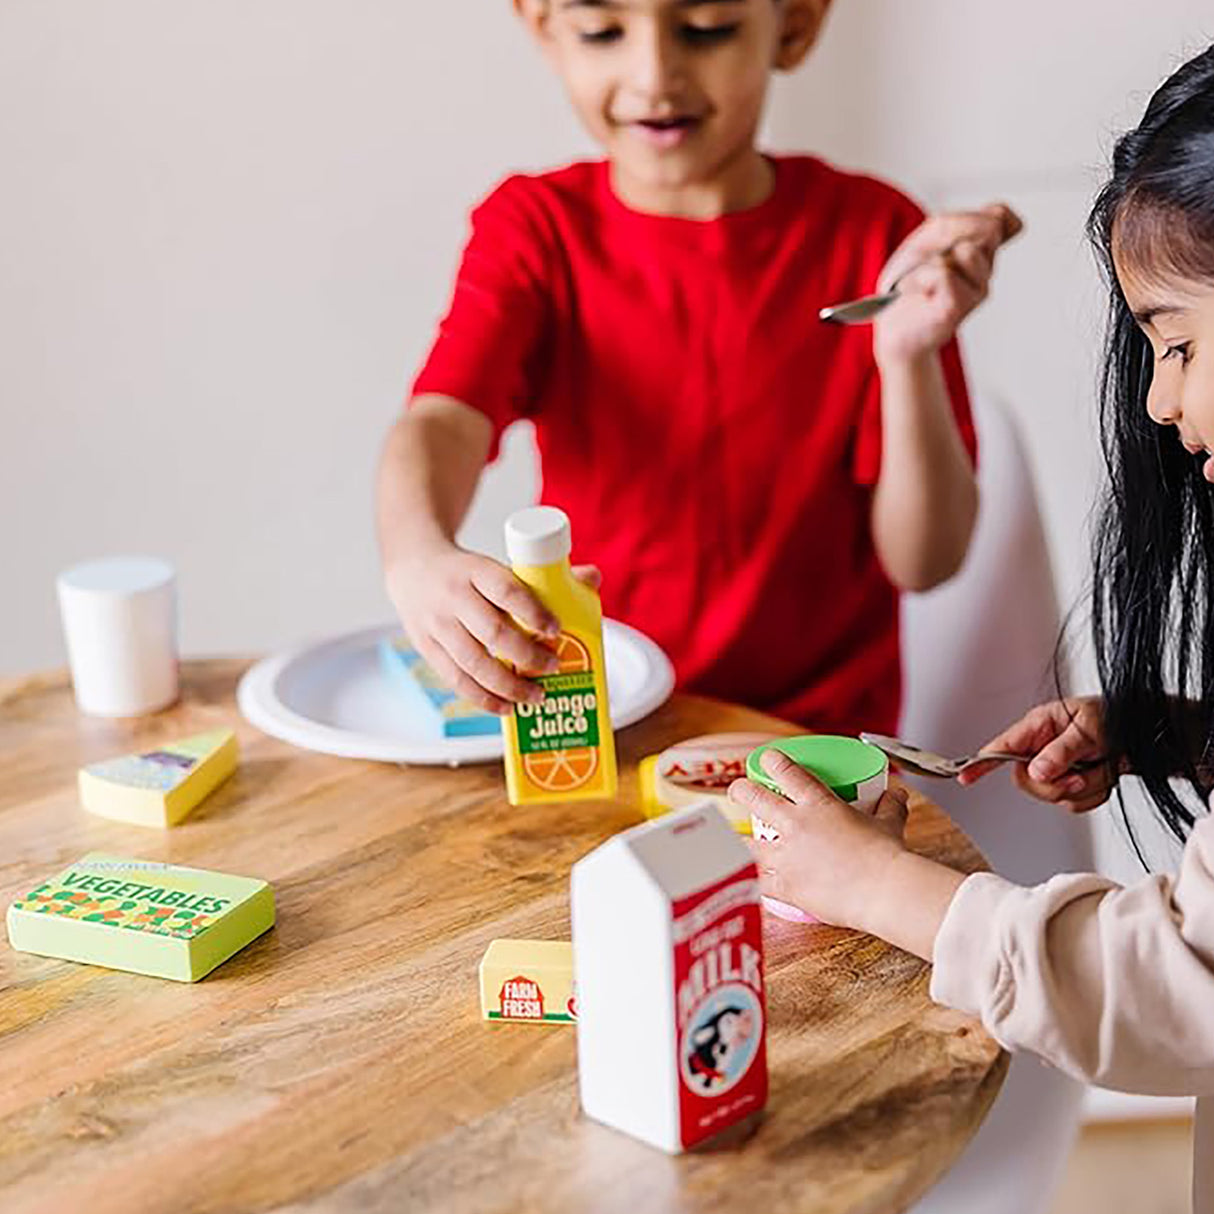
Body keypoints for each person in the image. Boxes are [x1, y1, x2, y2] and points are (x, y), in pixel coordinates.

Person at [730, 44, 1214, 1212]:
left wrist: (874, 885)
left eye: (1180, 344)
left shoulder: (863, 226)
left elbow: (1175, 984)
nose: (1154, 400)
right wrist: (1175, 733)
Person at [376, 0, 1017, 736]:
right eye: (602, 32)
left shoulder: (874, 234)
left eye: (706, 27)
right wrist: (420, 556)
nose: (655, 76)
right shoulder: (534, 230)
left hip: (812, 751)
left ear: (796, 25)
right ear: (543, 30)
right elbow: (442, 420)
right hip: (608, 725)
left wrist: (906, 355)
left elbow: (926, 561)